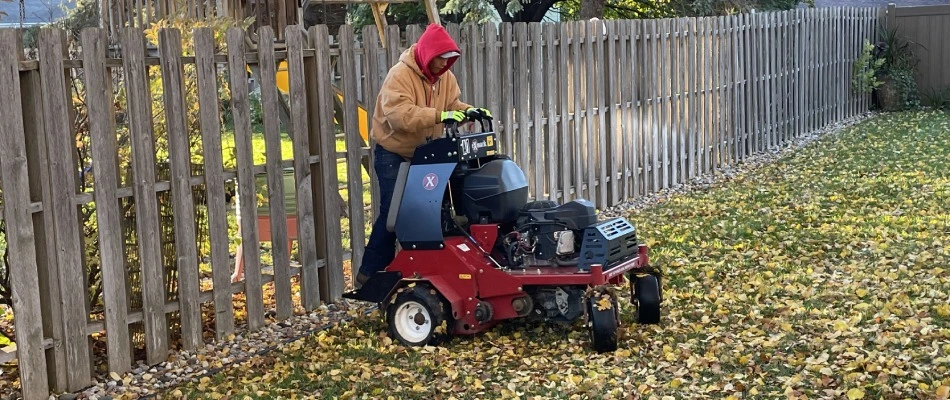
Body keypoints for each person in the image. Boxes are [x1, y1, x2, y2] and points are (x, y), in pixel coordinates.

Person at [356, 23, 490, 287]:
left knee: (430, 212)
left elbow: (451, 105)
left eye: (449, 60)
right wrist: (439, 116)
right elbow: (398, 115)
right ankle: (369, 273)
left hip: (425, 153)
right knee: (393, 215)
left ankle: (417, 270)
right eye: (441, 59)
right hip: (394, 152)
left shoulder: (445, 78)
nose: (444, 65)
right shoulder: (400, 75)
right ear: (428, 55)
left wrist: (470, 111)